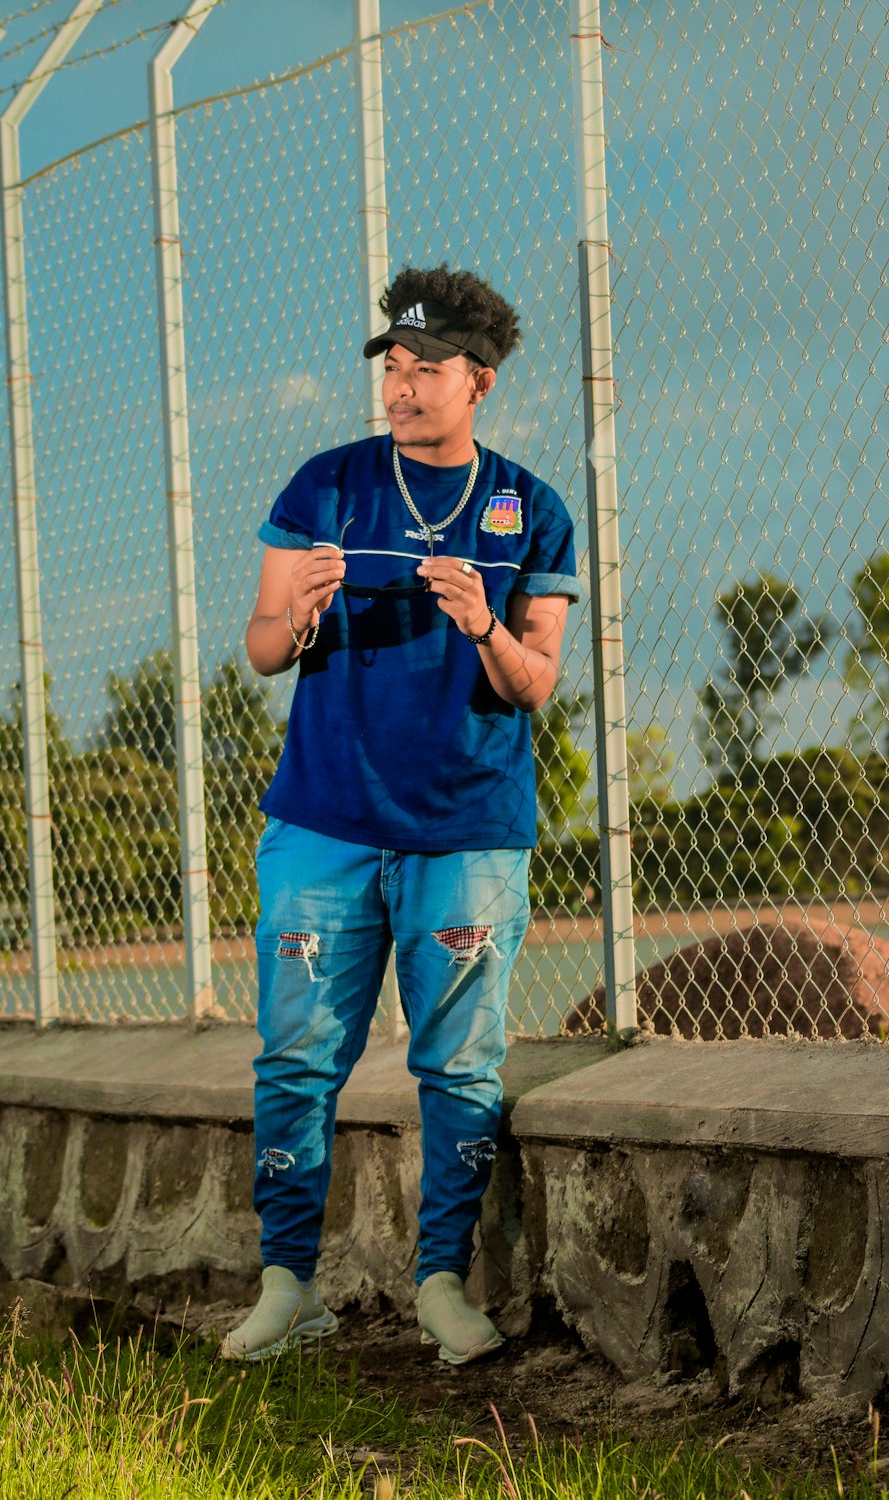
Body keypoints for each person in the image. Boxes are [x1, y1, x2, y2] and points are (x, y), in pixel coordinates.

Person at [224, 265, 579, 1367]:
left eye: (428, 370)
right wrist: (304, 614)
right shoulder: (323, 486)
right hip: (323, 823)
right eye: (393, 366)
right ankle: (289, 1286)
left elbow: (537, 684)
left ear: (479, 383)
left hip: (466, 830)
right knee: (293, 1060)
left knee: (460, 1069)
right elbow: (262, 645)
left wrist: (483, 622)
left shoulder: (532, 506)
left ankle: (440, 1285)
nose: (402, 386)